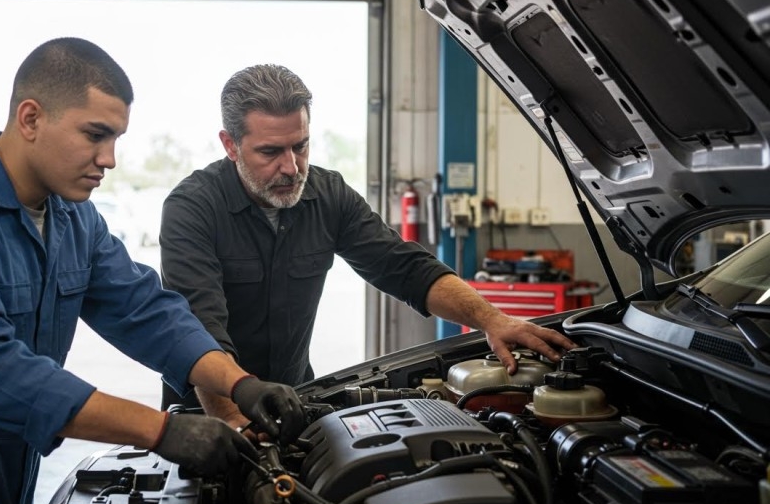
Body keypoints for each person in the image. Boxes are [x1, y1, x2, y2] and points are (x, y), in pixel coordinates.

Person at [0, 39, 302, 504]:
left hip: (10, 477)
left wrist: (240, 384)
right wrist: (160, 430)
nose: (109, 159)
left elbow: (144, 309)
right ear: (32, 118)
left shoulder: (73, 217)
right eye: (95, 135)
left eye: (116, 138)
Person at [160, 64, 577, 411]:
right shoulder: (192, 208)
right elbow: (200, 330)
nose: (291, 167)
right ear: (231, 145)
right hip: (205, 410)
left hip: (292, 396)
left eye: (301, 147)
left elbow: (404, 266)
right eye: (270, 152)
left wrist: (492, 319)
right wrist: (233, 423)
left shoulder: (329, 195)